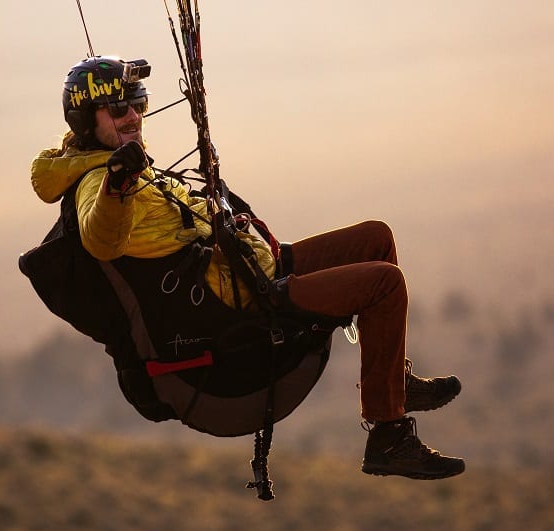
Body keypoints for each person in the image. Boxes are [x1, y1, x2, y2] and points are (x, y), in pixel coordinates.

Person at [30, 56, 465, 480]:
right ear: (88, 119)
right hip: (241, 304)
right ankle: (387, 437)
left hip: (253, 269)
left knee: (376, 238)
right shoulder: (98, 181)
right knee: (385, 286)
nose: (134, 117)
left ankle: (394, 385)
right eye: (120, 108)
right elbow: (100, 237)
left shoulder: (129, 163)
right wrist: (117, 187)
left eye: (138, 103)